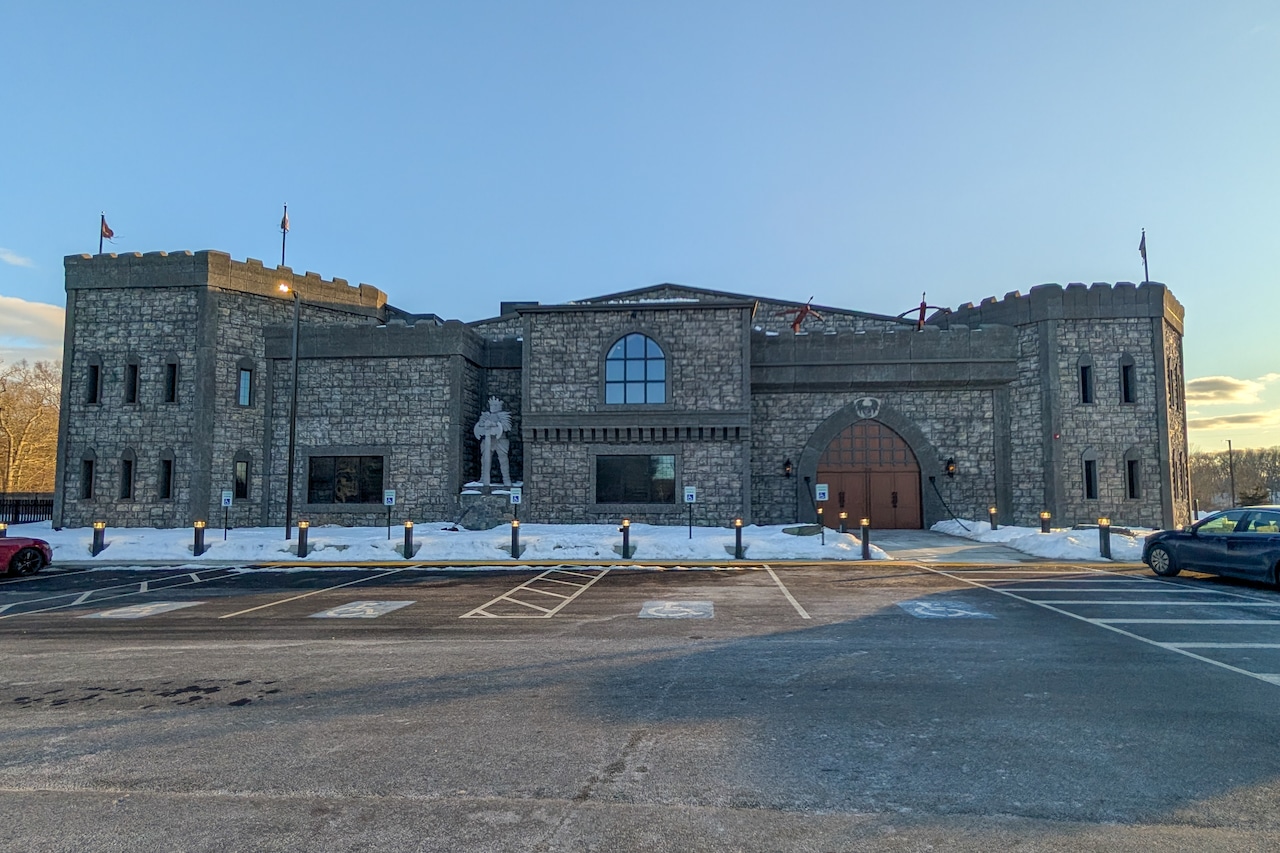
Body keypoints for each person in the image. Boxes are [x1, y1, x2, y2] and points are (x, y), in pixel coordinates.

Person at [474, 396, 512, 487]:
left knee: (503, 460)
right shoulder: (486, 415)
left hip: (500, 440)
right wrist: (484, 424)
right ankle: (483, 478)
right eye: (492, 404)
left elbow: (507, 427)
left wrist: (494, 424)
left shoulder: (503, 415)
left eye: (495, 405)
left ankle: (506, 479)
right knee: (485, 460)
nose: (493, 407)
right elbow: (480, 426)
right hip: (488, 441)